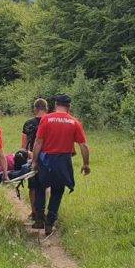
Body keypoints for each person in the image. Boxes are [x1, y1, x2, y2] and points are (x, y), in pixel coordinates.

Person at [31, 94, 90, 236]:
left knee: (40, 186)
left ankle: (39, 217)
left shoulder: (46, 119)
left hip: (46, 161)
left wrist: (34, 161)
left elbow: (38, 142)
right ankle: (50, 222)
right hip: (63, 161)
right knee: (57, 190)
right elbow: (83, 146)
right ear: (69, 107)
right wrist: (86, 164)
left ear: (55, 105)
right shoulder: (74, 122)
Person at [21, 98, 48, 219]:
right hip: (48, 158)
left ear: (35, 109)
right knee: (45, 186)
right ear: (46, 109)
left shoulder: (28, 124)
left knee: (32, 186)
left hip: (32, 157)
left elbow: (23, 147)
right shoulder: (50, 122)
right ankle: (43, 212)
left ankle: (34, 212)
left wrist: (30, 154)